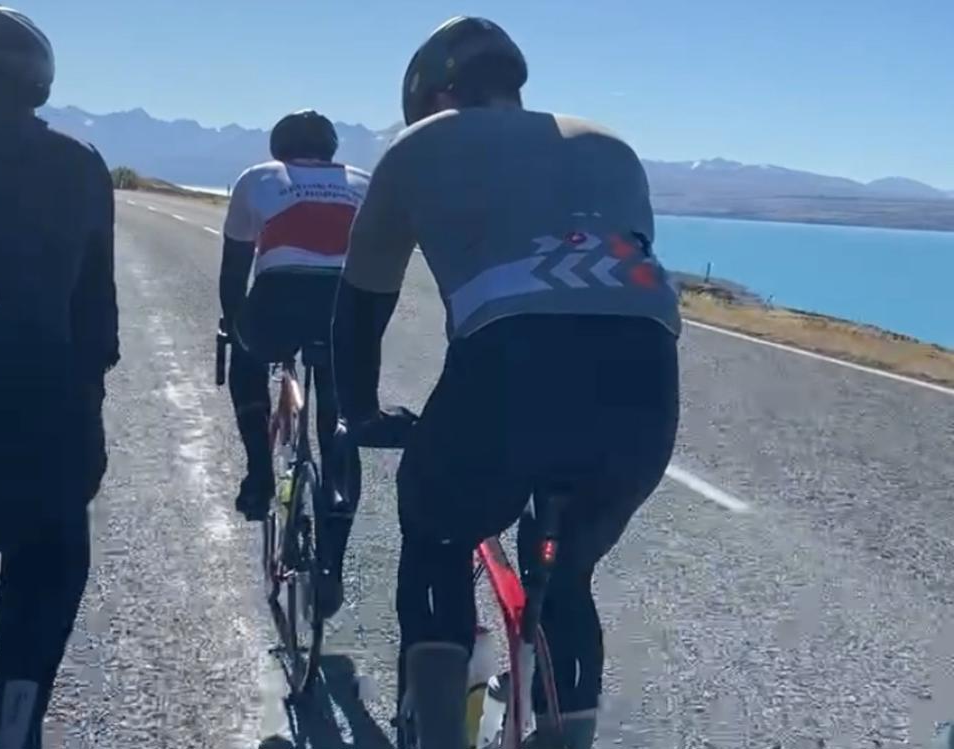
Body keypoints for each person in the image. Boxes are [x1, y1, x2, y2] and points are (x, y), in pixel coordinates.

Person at [332, 15, 682, 749]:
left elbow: (362, 304)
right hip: (645, 379)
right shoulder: (612, 144)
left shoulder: (421, 144)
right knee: (568, 574)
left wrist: (359, 410)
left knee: (437, 532)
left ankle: (436, 731)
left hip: (508, 372)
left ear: (432, 96)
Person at [0, 2, 118, 747]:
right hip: (31, 424)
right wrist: (88, 425)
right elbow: (94, 326)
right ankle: (19, 714)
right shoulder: (76, 166)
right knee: (53, 547)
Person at [219, 109, 367, 611]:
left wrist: (232, 325)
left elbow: (234, 271)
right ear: (331, 150)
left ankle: (259, 475)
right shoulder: (363, 183)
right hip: (344, 302)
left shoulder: (259, 178)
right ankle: (334, 560)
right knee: (339, 422)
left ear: (279, 150)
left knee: (246, 360)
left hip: (279, 299)